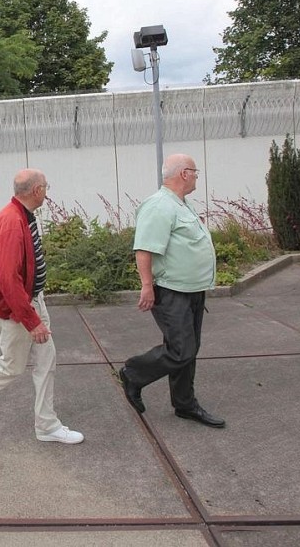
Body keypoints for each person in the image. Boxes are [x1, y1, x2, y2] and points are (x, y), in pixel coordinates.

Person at [0, 169, 84, 444]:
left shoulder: (22, 215)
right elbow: (7, 279)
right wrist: (32, 320)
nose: (47, 192)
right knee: (12, 366)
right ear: (37, 191)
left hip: (31, 301)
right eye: (45, 187)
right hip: (17, 308)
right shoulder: (11, 222)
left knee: (46, 360)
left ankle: (47, 426)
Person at [119, 154, 225, 428]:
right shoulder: (159, 206)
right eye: (195, 172)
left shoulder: (182, 205)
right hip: (171, 291)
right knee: (181, 349)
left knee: (188, 349)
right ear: (184, 174)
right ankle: (133, 372)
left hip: (192, 290)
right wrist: (147, 287)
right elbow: (144, 249)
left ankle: (185, 404)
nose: (197, 177)